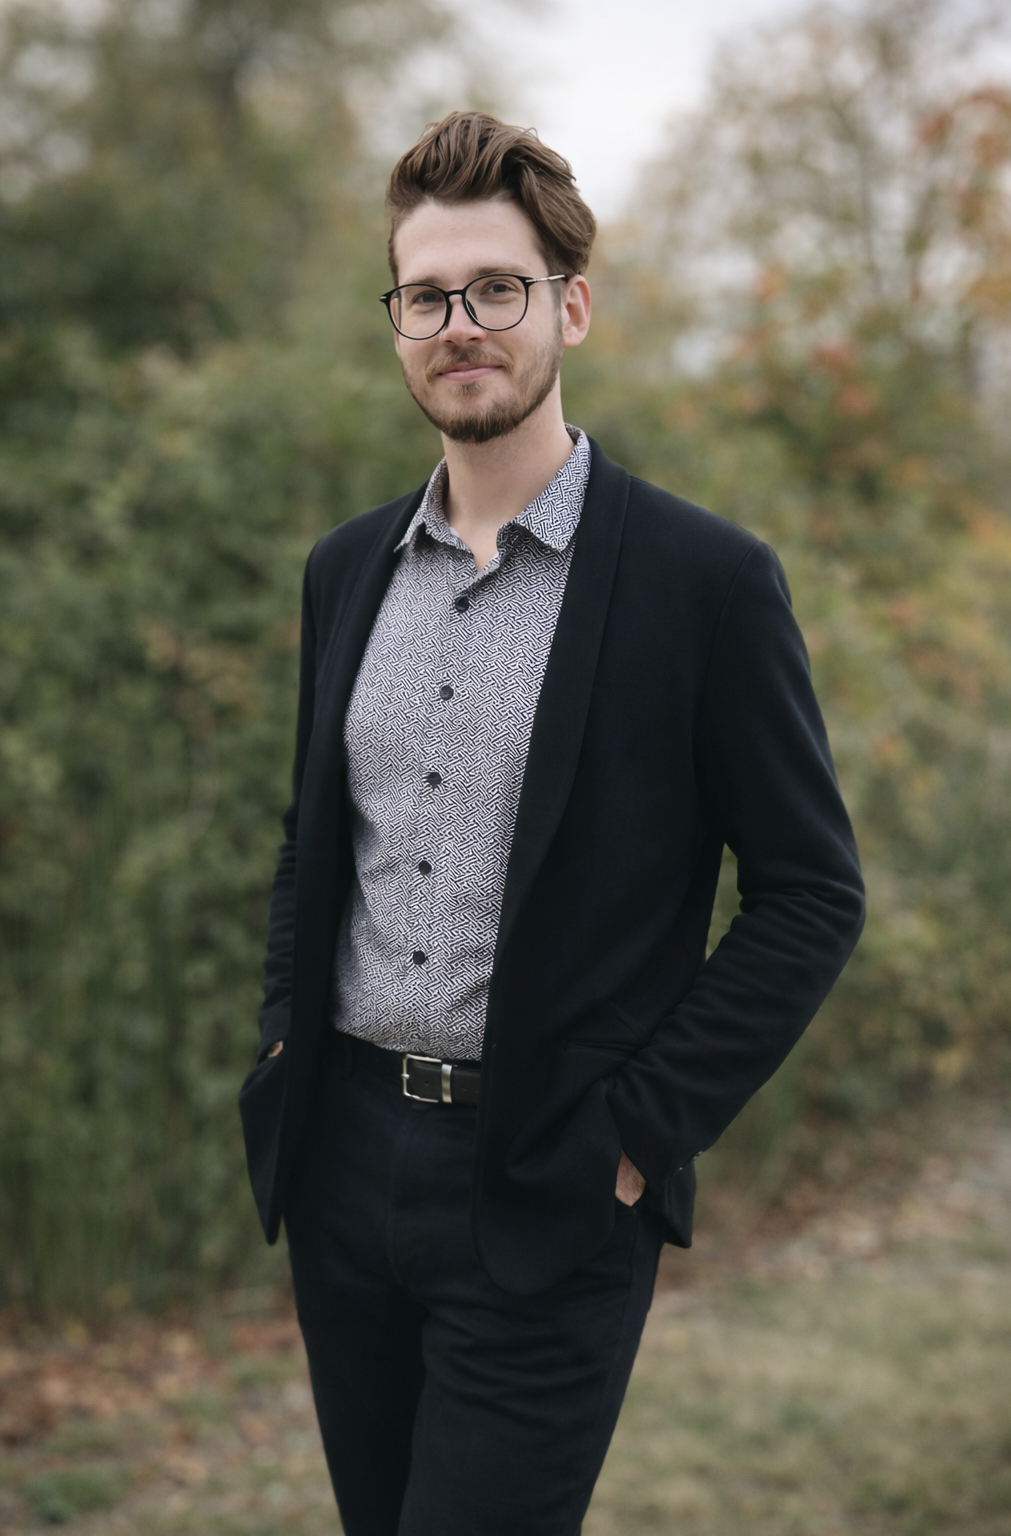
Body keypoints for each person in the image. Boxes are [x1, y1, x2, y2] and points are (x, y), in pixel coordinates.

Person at [239, 110, 865, 1536]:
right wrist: (285, 1044)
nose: (460, 324)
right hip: (341, 1172)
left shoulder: (705, 584)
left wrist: (638, 1137)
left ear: (568, 306)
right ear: (396, 321)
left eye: (497, 289)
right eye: (425, 295)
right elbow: (312, 840)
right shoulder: (345, 574)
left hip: (550, 1183)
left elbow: (811, 895)